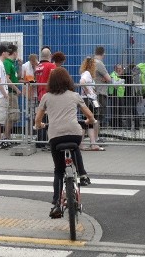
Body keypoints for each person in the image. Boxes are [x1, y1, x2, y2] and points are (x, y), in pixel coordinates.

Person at [34, 67, 94, 219]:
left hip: (55, 136)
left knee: (58, 171)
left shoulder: (46, 97)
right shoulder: (74, 96)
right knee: (75, 148)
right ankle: (83, 174)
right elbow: (90, 115)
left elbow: (37, 120)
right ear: (68, 80)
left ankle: (56, 204)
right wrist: (89, 121)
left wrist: (40, 125)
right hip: (74, 133)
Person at [79, 57, 104, 151]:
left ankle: (91, 143)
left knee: (88, 123)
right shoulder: (87, 73)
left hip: (87, 100)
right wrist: (88, 91)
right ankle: (91, 144)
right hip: (88, 100)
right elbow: (82, 82)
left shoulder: (85, 73)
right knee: (89, 122)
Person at [34, 48, 56, 149]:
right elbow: (54, 79)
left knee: (41, 118)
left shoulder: (38, 67)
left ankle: (40, 141)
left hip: (40, 95)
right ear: (50, 56)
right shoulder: (51, 66)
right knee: (50, 119)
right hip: (49, 95)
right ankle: (49, 141)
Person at [3, 44, 22, 145]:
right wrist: (16, 89)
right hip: (10, 93)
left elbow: (17, 77)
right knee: (11, 115)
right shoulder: (7, 63)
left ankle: (8, 136)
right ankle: (6, 137)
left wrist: (20, 66)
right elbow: (7, 78)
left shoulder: (12, 63)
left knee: (12, 115)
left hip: (13, 92)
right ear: (14, 52)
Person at [93, 46, 111, 142]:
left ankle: (94, 138)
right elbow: (109, 78)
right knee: (98, 117)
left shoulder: (91, 62)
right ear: (103, 54)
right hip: (100, 92)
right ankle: (96, 138)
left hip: (93, 92)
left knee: (93, 116)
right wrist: (107, 79)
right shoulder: (99, 64)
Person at [108, 64, 126, 128]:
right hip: (114, 94)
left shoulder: (121, 75)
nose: (119, 69)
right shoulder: (113, 75)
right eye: (118, 68)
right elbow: (115, 85)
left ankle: (120, 125)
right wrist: (121, 81)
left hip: (120, 95)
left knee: (120, 110)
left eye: (120, 68)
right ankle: (115, 125)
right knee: (115, 110)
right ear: (115, 69)